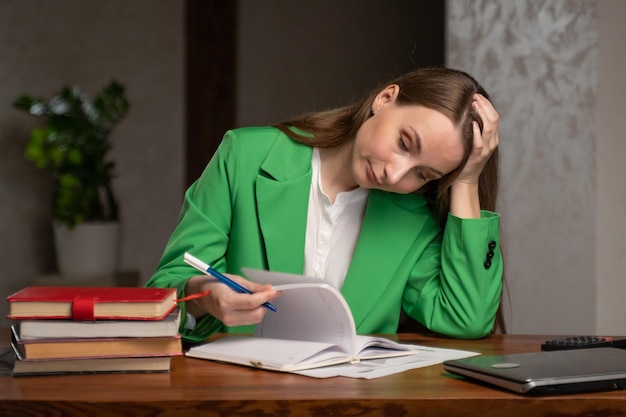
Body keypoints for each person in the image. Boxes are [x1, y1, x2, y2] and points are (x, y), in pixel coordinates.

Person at [146, 66, 503, 343]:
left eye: (422, 174)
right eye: (404, 143)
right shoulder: (246, 156)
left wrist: (468, 179)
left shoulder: (412, 218)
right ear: (385, 98)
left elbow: (465, 318)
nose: (396, 175)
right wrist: (203, 296)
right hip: (239, 397)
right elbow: (164, 290)